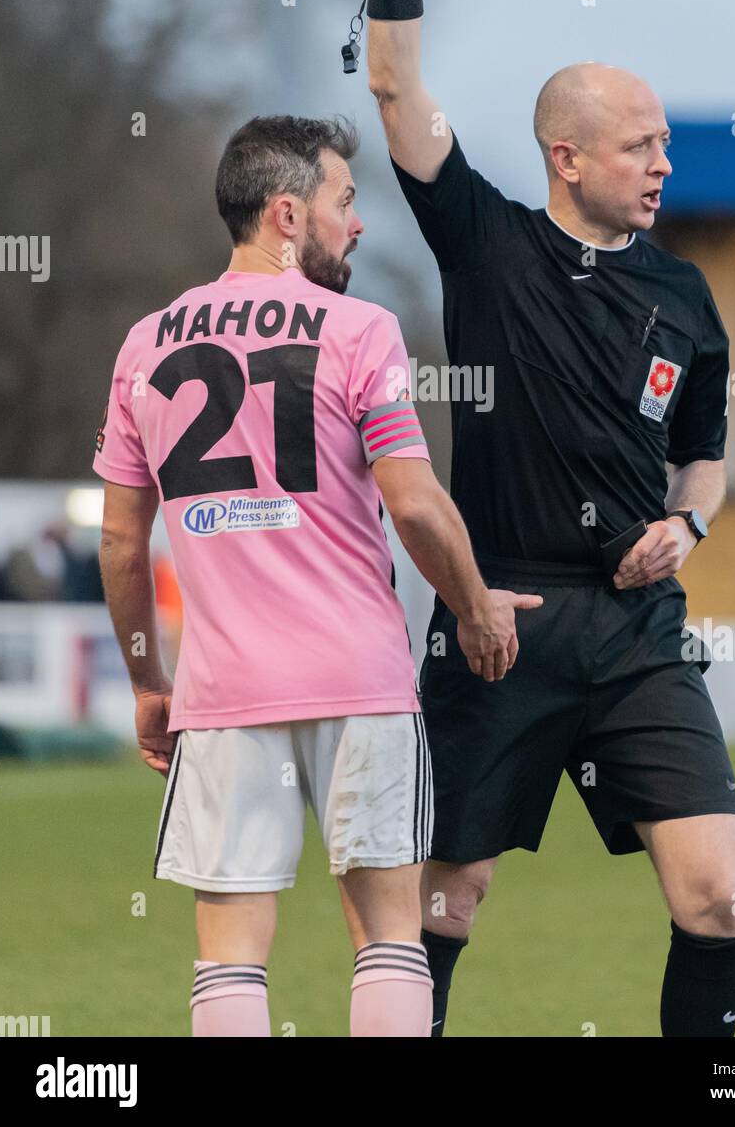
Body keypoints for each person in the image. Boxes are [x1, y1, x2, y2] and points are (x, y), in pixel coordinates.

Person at [365, 0, 735, 1038]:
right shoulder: (485, 241)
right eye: (641, 146)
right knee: (447, 898)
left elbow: (707, 455)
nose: (663, 165)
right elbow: (393, 85)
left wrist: (688, 522)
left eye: (667, 144)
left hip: (639, 627)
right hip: (503, 618)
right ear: (564, 153)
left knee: (719, 900)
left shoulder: (684, 296)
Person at [93, 114, 540, 1037]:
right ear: (288, 215)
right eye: (346, 201)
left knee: (228, 956)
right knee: (386, 938)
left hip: (222, 693)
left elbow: (123, 545)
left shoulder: (145, 344)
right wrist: (475, 608)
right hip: (359, 680)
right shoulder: (360, 330)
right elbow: (414, 503)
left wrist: (147, 683)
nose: (359, 222)